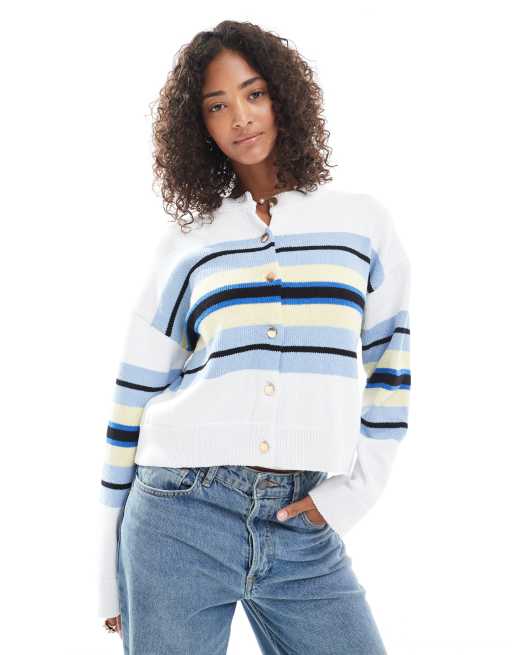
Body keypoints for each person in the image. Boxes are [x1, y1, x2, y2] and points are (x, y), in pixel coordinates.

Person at [98, 20, 411, 654]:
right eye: (217, 106)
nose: (240, 117)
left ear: (283, 98)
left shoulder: (361, 225)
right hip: (176, 513)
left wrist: (351, 496)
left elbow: (391, 373)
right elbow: (134, 394)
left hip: (303, 520)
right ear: (199, 128)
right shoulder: (189, 244)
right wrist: (109, 571)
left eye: (254, 93)